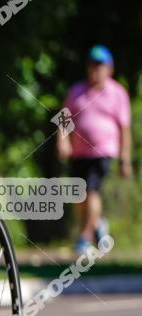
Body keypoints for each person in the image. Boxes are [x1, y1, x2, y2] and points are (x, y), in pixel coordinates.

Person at [56, 45, 133, 253]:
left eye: (100, 66)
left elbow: (124, 128)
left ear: (109, 69)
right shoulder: (76, 91)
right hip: (79, 153)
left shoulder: (117, 93)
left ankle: (85, 237)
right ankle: (97, 224)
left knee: (91, 191)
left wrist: (125, 158)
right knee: (79, 196)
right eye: (92, 65)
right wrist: (62, 141)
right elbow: (64, 119)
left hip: (103, 151)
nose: (95, 70)